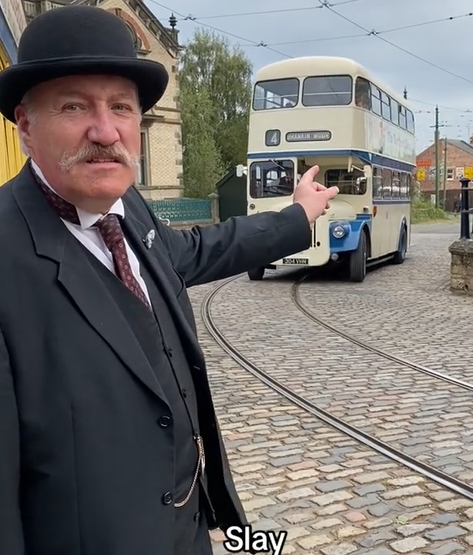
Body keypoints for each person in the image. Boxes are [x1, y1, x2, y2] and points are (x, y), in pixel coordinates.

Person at [0, 7, 338, 555]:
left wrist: (297, 217)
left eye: (121, 108)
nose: (105, 130)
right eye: (74, 106)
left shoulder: (126, 208)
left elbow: (199, 250)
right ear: (26, 126)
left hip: (190, 529)